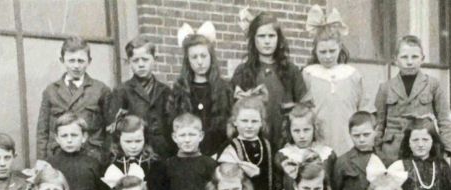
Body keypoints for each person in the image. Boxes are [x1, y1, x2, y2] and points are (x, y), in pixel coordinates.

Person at [232, 10, 307, 150]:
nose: (267, 41)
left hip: (285, 140)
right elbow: (235, 110)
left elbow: (303, 108)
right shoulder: (242, 71)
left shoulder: (291, 71)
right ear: (253, 39)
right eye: (261, 36)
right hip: (253, 139)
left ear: (279, 39)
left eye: (271, 36)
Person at [374, 35, 451, 164]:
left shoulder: (433, 85)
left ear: (422, 59)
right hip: (392, 153)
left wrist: (445, 150)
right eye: (404, 57)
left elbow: (444, 120)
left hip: (424, 151)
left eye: (415, 57)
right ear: (395, 59)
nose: (409, 62)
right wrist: (377, 152)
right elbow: (379, 125)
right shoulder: (385, 88)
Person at [36, 35, 112, 163]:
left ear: (89, 61)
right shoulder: (51, 91)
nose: (76, 66)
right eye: (71, 60)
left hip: (92, 157)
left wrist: (106, 159)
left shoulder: (100, 90)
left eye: (80, 61)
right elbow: (42, 131)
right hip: (58, 157)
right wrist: (42, 161)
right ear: (62, 60)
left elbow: (110, 130)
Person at [302, 5, 365, 156]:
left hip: (348, 144)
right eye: (322, 52)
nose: (328, 56)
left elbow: (362, 111)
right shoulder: (308, 74)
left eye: (332, 51)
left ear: (340, 48)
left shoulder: (352, 74)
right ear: (315, 51)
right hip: (317, 146)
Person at [167, 23, 233, 157]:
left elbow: (230, 125)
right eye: (194, 57)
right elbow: (173, 125)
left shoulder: (224, 88)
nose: (200, 62)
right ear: (188, 61)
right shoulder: (180, 89)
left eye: (203, 56)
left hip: (218, 154)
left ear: (211, 57)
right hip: (188, 156)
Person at [108, 36, 173, 159]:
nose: (141, 64)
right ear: (129, 62)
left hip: (163, 151)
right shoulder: (121, 91)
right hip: (134, 151)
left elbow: (170, 124)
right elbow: (115, 128)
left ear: (155, 59)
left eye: (145, 59)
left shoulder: (165, 91)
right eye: (136, 60)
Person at [151, 113, 216, 190]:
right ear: (174, 137)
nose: (187, 140)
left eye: (192, 135)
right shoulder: (167, 165)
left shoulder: (210, 164)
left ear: (201, 136)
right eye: (182, 135)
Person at [47, 112, 109, 190]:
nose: (69, 140)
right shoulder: (50, 164)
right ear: (57, 138)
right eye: (64, 136)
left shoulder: (94, 164)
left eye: (74, 135)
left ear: (84, 137)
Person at [218, 95, 276, 190]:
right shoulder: (229, 147)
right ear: (235, 122)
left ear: (261, 123)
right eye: (244, 121)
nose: (249, 126)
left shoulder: (268, 145)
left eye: (254, 121)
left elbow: (276, 174)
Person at [331, 111, 388, 190]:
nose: (361, 139)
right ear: (350, 134)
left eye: (366, 134)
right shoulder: (343, 162)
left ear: (375, 132)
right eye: (356, 136)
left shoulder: (384, 160)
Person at [274, 103, 336, 190]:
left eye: (306, 130)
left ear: (315, 129)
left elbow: (332, 189)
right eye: (296, 131)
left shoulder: (327, 154)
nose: (302, 136)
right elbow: (279, 189)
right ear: (289, 131)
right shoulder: (283, 156)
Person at [103, 113, 160, 190]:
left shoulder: (154, 164)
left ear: (145, 139)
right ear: (118, 140)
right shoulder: (111, 163)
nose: (133, 146)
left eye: (138, 141)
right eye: (128, 142)